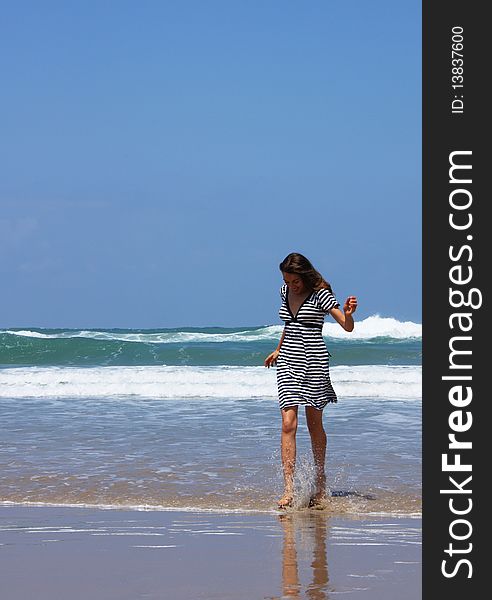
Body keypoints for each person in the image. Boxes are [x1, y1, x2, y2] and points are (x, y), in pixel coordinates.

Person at [264, 253, 358, 509]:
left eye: (295, 281)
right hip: (287, 362)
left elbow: (346, 326)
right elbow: (289, 324)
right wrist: (278, 348)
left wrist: (348, 314)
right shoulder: (284, 291)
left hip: (313, 362)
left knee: (314, 423)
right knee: (287, 423)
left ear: (304, 276)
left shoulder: (321, 295)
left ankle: (319, 480)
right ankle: (289, 489)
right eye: (287, 280)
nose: (291, 285)